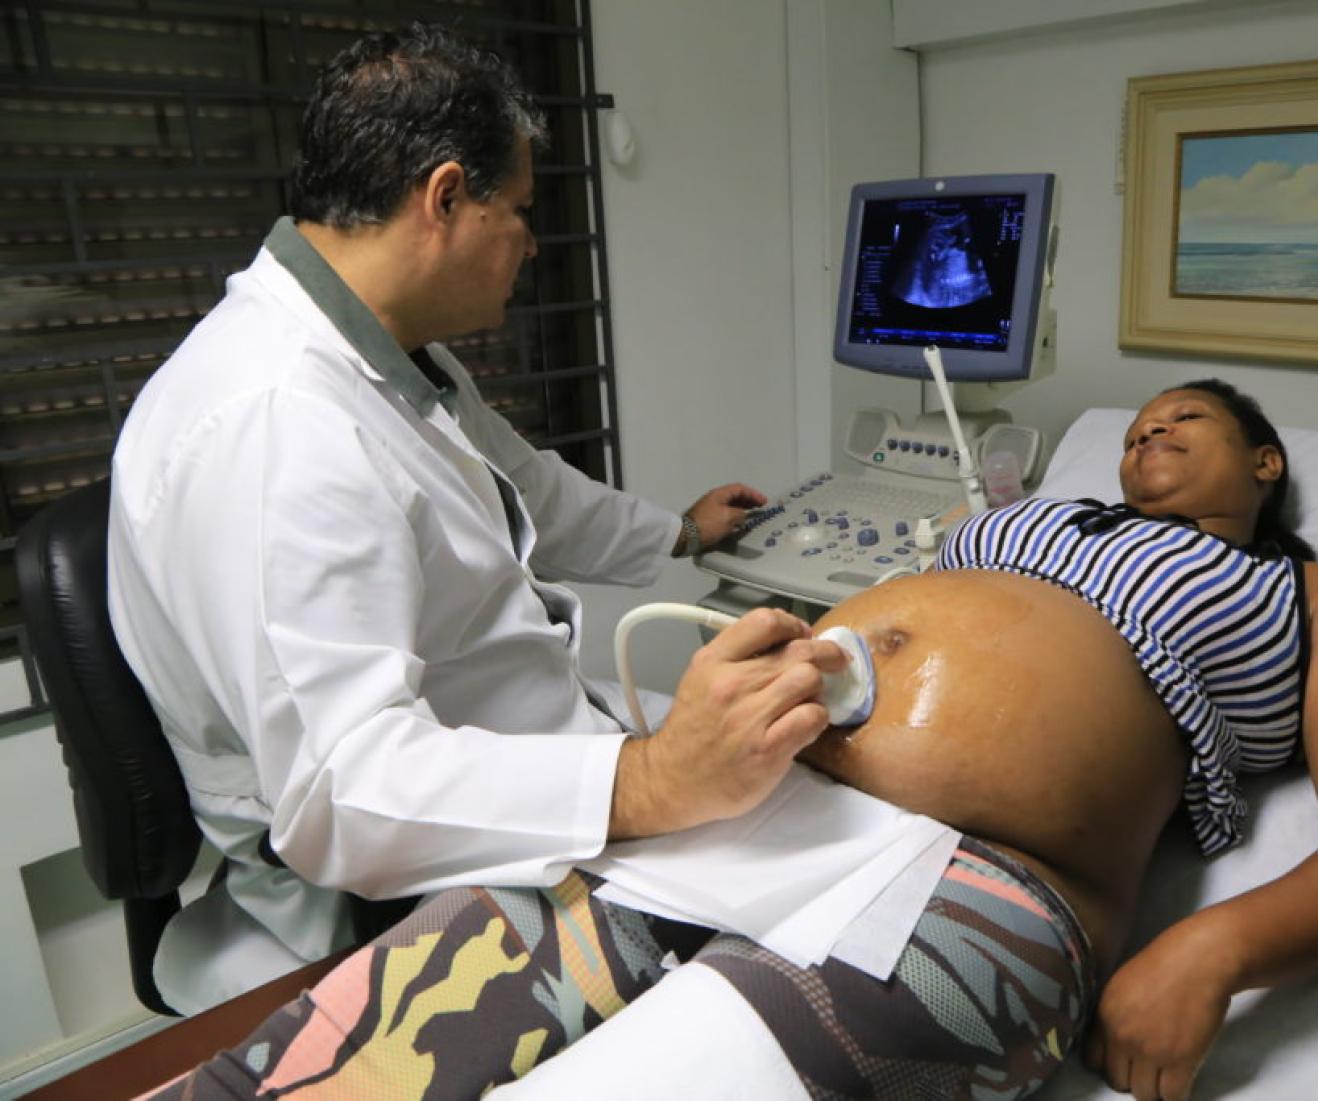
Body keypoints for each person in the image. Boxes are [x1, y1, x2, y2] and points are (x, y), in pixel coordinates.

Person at [142, 379, 1318, 1101]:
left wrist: (1212, 949)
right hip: (732, 816)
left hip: (980, 883)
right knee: (310, 1065)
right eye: (1142, 419)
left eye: (1191, 421)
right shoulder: (1027, 512)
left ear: (1266, 464)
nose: (1150, 430)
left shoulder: (1304, 593)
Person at [106, 23, 848, 1015]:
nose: (533, 246)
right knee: (794, 974)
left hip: (539, 757)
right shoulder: (280, 422)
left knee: (814, 806)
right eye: (522, 211)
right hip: (399, 881)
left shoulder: (384, 352)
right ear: (447, 198)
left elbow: (523, 489)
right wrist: (654, 780)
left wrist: (680, 532)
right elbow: (346, 795)